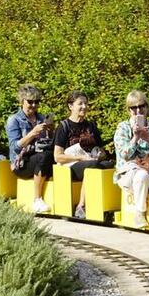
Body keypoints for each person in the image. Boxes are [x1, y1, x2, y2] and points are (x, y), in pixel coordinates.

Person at [53, 91, 112, 219]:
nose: (84, 107)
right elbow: (57, 156)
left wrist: (99, 154)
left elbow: (101, 150)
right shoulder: (63, 127)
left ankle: (104, 206)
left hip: (91, 160)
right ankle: (81, 206)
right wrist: (80, 158)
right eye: (80, 104)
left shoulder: (91, 126)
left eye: (86, 103)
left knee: (108, 164)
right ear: (70, 106)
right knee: (93, 165)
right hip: (71, 164)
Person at [113, 90, 149, 229]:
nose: (138, 110)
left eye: (141, 106)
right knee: (141, 175)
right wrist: (135, 138)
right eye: (133, 107)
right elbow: (125, 155)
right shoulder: (123, 127)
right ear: (129, 110)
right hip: (128, 172)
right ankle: (140, 213)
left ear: (147, 107)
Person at [7, 85, 55, 213]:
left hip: (39, 157)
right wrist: (33, 133)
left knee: (53, 154)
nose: (34, 105)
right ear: (22, 101)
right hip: (21, 163)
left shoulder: (41, 118)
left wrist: (50, 132)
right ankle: (37, 199)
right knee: (44, 157)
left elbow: (48, 143)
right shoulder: (14, 120)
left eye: (37, 102)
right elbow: (14, 147)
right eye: (30, 102)